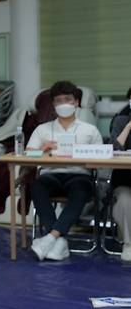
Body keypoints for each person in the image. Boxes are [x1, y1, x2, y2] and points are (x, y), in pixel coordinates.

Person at [26, 81, 103, 261]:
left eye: (67, 100)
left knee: (82, 189)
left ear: (76, 102)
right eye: (58, 101)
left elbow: (100, 158)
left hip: (79, 175)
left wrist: (86, 156)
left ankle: (50, 238)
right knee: (37, 187)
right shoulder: (43, 129)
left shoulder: (89, 130)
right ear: (53, 105)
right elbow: (28, 154)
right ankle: (59, 240)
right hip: (50, 174)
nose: (63, 104)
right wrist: (42, 149)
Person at [108, 86, 131, 261]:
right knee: (124, 200)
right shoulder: (121, 120)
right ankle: (129, 245)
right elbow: (113, 150)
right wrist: (129, 126)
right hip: (125, 181)